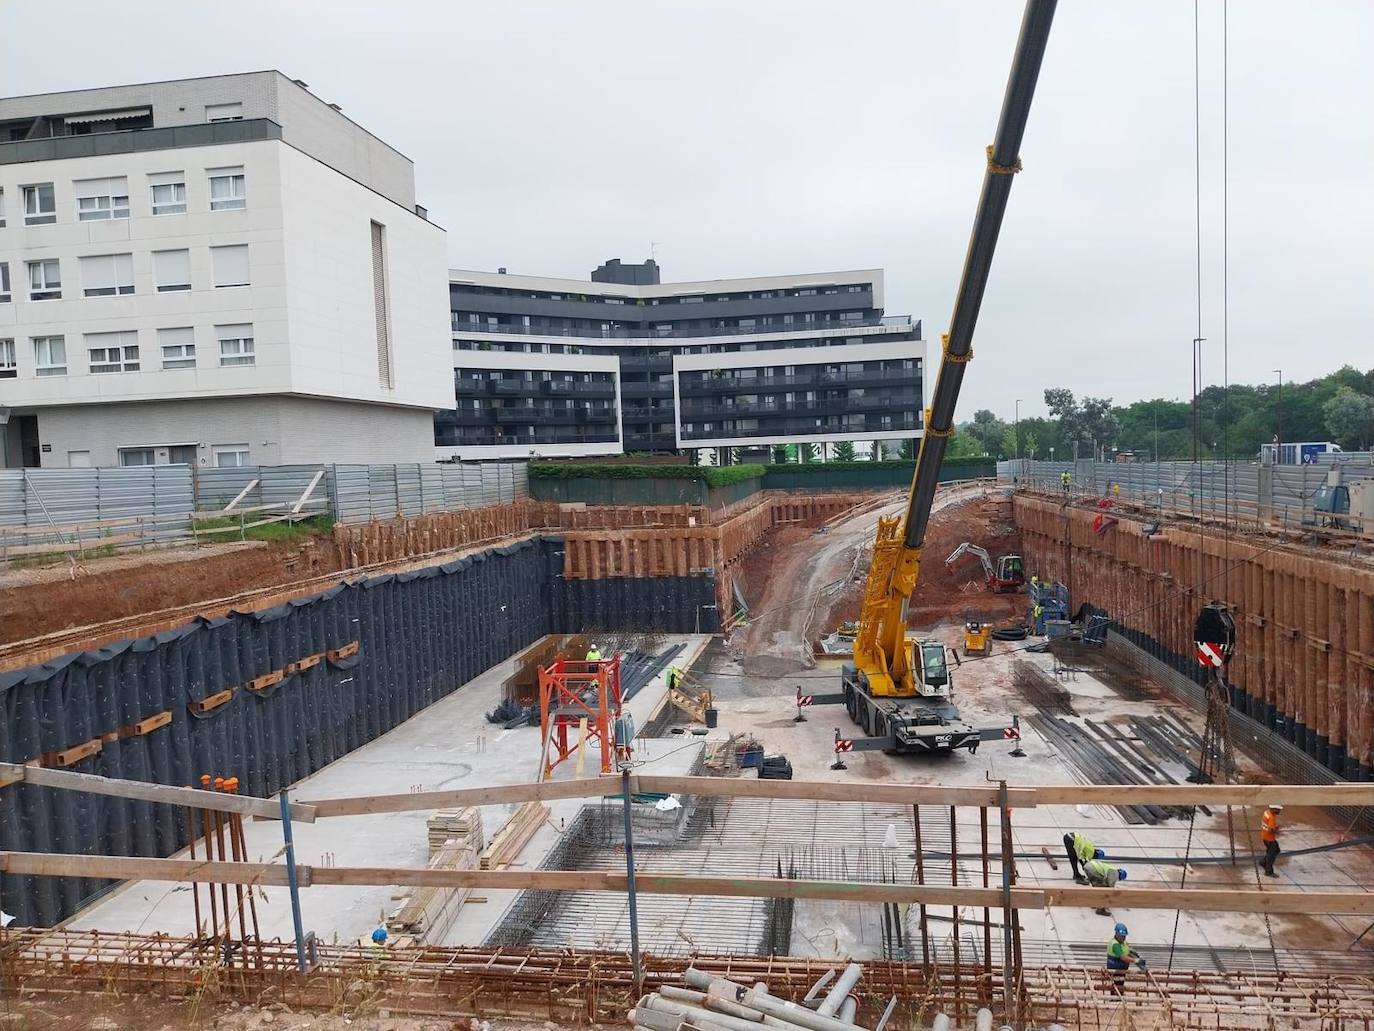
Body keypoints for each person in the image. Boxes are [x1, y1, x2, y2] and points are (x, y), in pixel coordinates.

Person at [1106, 923, 1144, 994]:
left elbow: (1127, 948)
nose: (1123, 938)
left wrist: (1131, 951)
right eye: (1121, 936)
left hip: (1121, 969)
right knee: (1116, 986)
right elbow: (1123, 957)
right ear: (1116, 934)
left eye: (1124, 936)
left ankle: (1118, 996)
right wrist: (1135, 960)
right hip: (1115, 970)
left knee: (1120, 984)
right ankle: (1115, 998)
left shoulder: (1122, 942)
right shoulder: (1115, 945)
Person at [1260, 803, 1283, 877]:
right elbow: (1271, 830)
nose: (1279, 811)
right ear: (1273, 809)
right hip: (1269, 839)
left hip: (1264, 836)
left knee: (1276, 850)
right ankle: (1269, 871)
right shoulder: (1271, 817)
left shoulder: (1266, 812)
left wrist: (1274, 826)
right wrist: (1277, 831)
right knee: (1271, 855)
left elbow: (1267, 824)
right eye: (1278, 810)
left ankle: (1263, 861)